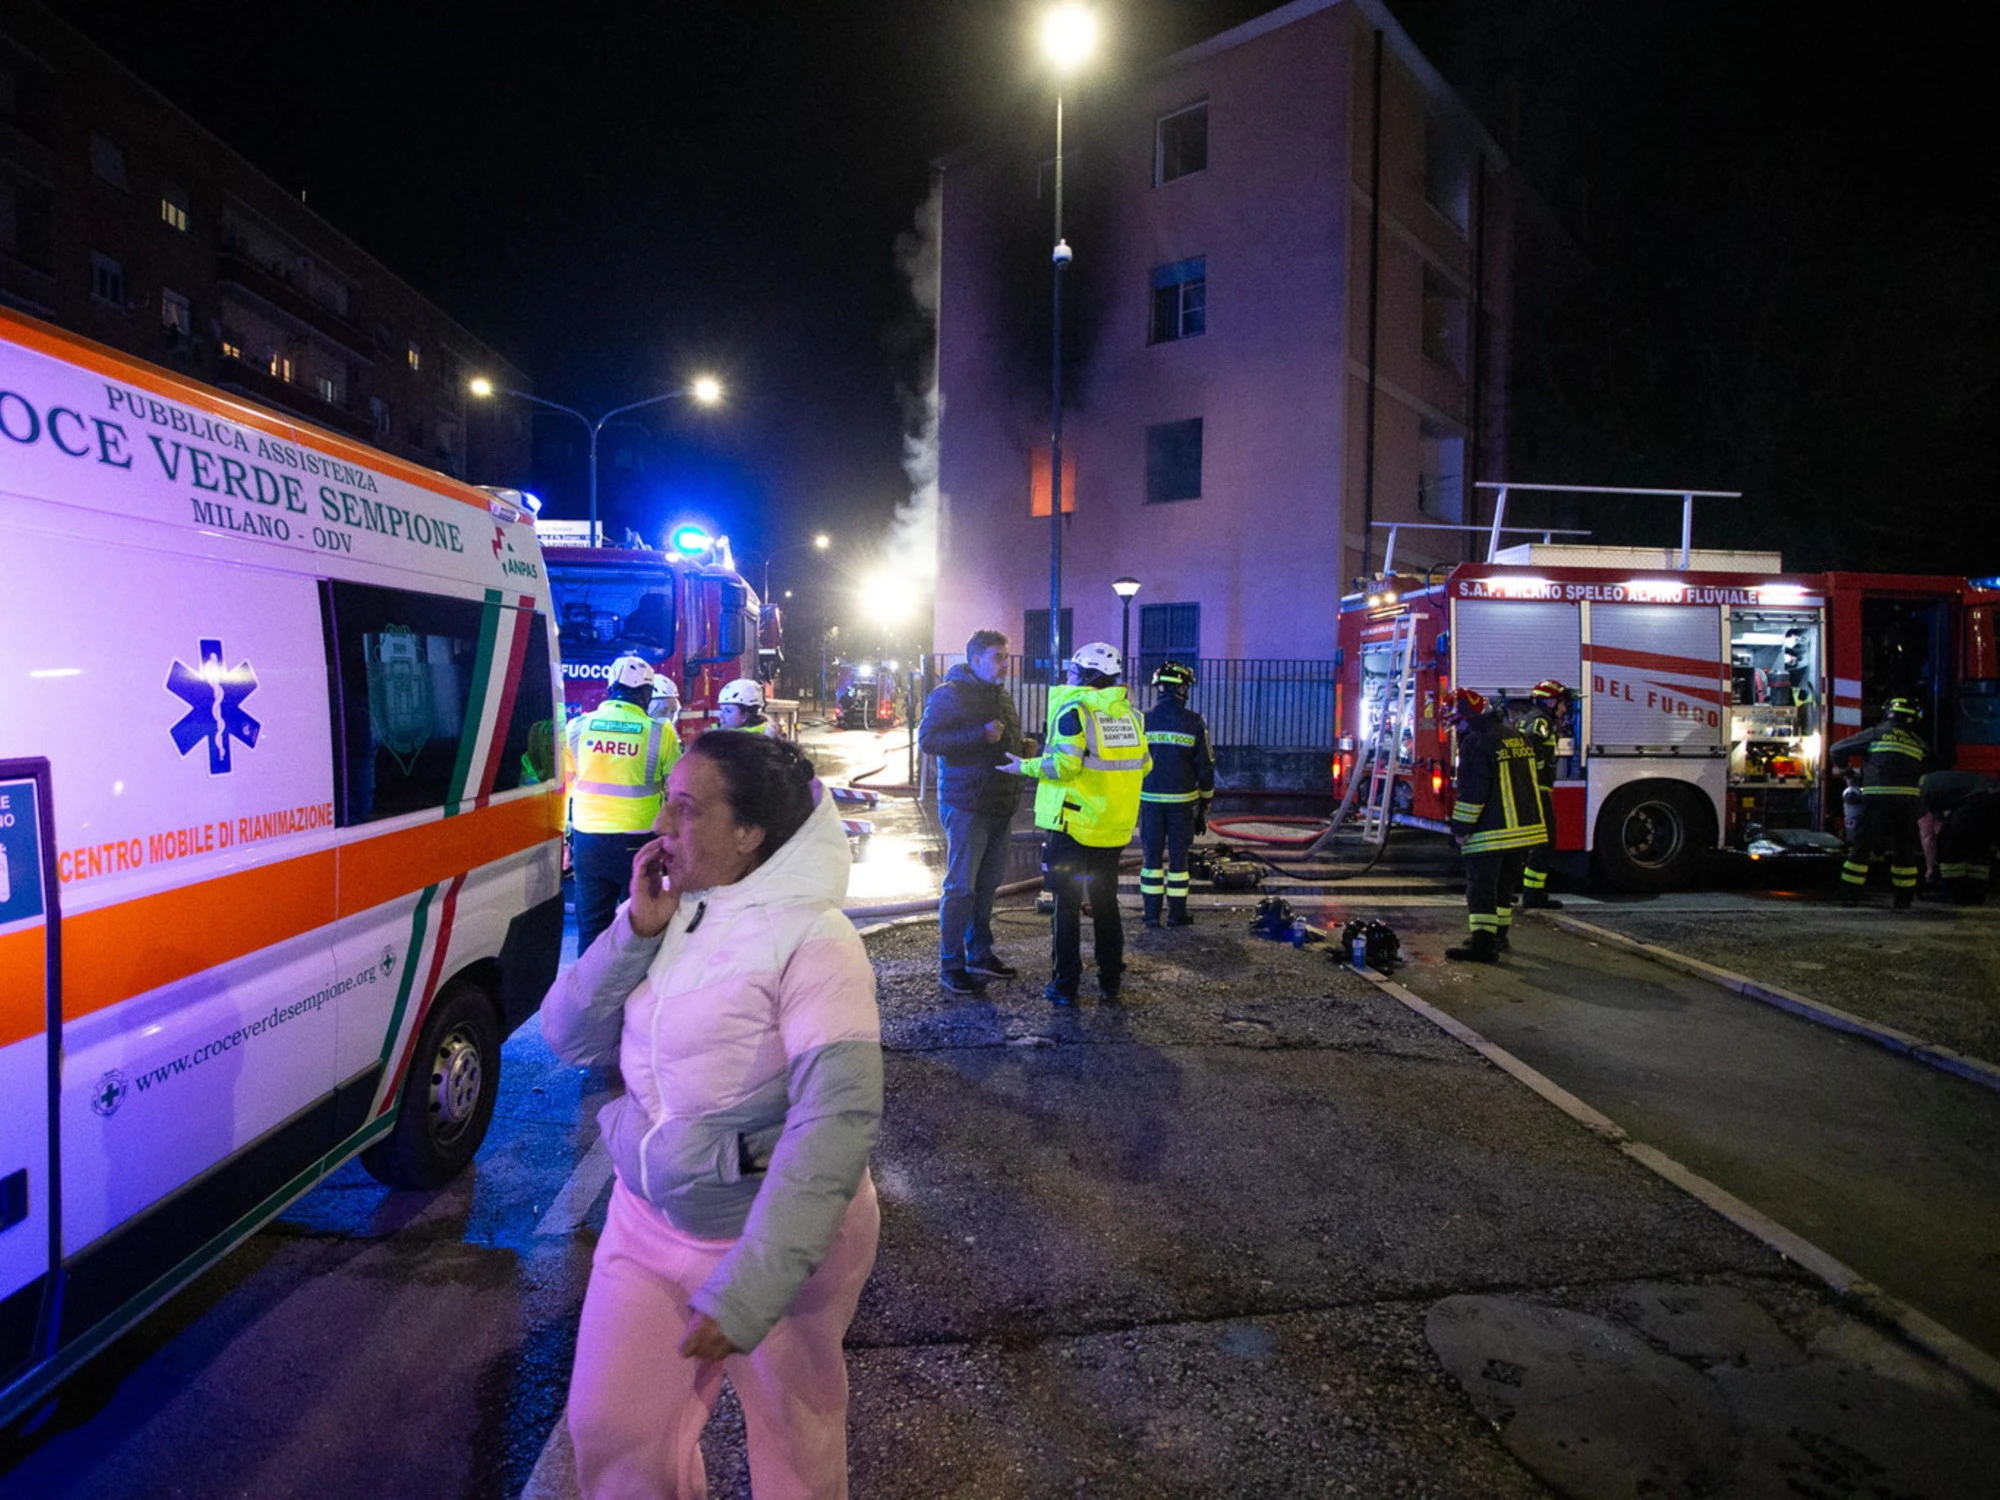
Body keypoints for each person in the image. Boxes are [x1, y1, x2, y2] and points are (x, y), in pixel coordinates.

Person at [542, 731, 882, 1500]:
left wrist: (754, 1285)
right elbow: (565, 1036)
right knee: (612, 1433)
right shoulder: (670, 912)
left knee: (794, 1452)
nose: (661, 824)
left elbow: (839, 1117)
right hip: (645, 1222)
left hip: (772, 1240)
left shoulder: (817, 939)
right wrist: (636, 929)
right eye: (666, 800)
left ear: (749, 833)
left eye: (686, 809)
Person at [1002, 641, 1150, 1006]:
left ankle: (1065, 985)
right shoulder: (1131, 716)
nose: (1067, 675)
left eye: (1073, 670)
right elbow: (1144, 765)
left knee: (1065, 905)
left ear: (1087, 675)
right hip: (1113, 827)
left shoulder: (1075, 711)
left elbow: (1063, 767)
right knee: (1105, 902)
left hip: (1073, 825)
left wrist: (1023, 767)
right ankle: (1110, 977)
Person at [918, 628, 1028, 995]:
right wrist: (980, 736)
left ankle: (980, 954)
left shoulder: (1000, 695)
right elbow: (929, 741)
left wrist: (1024, 747)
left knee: (987, 887)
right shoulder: (949, 696)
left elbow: (1004, 743)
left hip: (1001, 803)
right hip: (967, 805)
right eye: (999, 657)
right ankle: (951, 963)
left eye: (1006, 658)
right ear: (976, 658)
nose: (1005, 666)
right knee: (961, 888)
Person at [566, 655, 681, 955]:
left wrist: (564, 838)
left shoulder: (578, 727)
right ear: (646, 693)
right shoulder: (660, 731)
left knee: (591, 928)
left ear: (610, 688)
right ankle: (635, 996)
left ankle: (589, 995)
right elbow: (678, 789)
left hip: (588, 842)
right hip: (640, 845)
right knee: (640, 928)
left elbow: (565, 785)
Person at [1441, 687, 1545, 963]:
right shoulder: (1515, 735)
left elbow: (1473, 792)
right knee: (1504, 887)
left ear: (1467, 717)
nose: (1455, 728)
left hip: (1491, 832)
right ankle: (1499, 935)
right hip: (1523, 830)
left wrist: (1461, 829)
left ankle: (1483, 945)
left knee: (1481, 888)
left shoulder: (1475, 742)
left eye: (1456, 722)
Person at [1138, 660, 1215, 928]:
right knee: (1179, 860)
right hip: (1183, 804)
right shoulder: (1194, 722)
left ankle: (1150, 915)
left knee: (1151, 859)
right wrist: (1205, 801)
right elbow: (1205, 766)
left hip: (1148, 802)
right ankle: (1176, 914)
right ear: (1182, 689)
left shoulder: (1142, 720)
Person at [1830, 697, 1927, 909]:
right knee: (1905, 850)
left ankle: (1849, 896)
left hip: (1878, 797)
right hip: (1909, 800)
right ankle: (1903, 900)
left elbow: (1837, 749)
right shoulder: (1918, 743)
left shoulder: (1877, 733)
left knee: (1862, 848)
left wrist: (1848, 774)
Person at [1515, 680, 1570, 909]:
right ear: (1549, 701)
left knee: (1535, 843)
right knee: (1544, 843)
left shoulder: (1533, 718)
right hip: (1537, 791)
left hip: (1532, 790)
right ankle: (1533, 895)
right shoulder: (1540, 722)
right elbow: (1527, 750)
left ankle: (1530, 892)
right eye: (1561, 703)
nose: (1564, 708)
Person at [1921, 768, 1999, 905]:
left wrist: (1930, 869)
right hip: (1994, 797)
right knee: (1979, 846)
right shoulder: (1940, 780)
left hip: (1975, 801)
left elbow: (1928, 836)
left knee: (1951, 845)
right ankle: (1976, 894)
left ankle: (1951, 892)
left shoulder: (1920, 794)